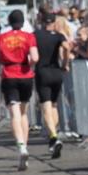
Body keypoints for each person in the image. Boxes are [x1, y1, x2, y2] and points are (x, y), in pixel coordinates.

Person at [0, 9, 39, 170]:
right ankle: (24, 146)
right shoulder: (29, 37)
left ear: (10, 22)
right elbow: (35, 57)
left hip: (9, 74)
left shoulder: (0, 38)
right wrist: (26, 61)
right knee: (24, 112)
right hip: (26, 75)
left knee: (14, 113)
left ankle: (21, 146)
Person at [34, 11, 71, 159]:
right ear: (54, 23)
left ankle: (53, 136)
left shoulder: (36, 35)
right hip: (56, 72)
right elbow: (67, 47)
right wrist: (65, 63)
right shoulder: (58, 36)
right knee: (54, 105)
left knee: (45, 107)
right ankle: (53, 135)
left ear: (43, 22)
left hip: (42, 72)